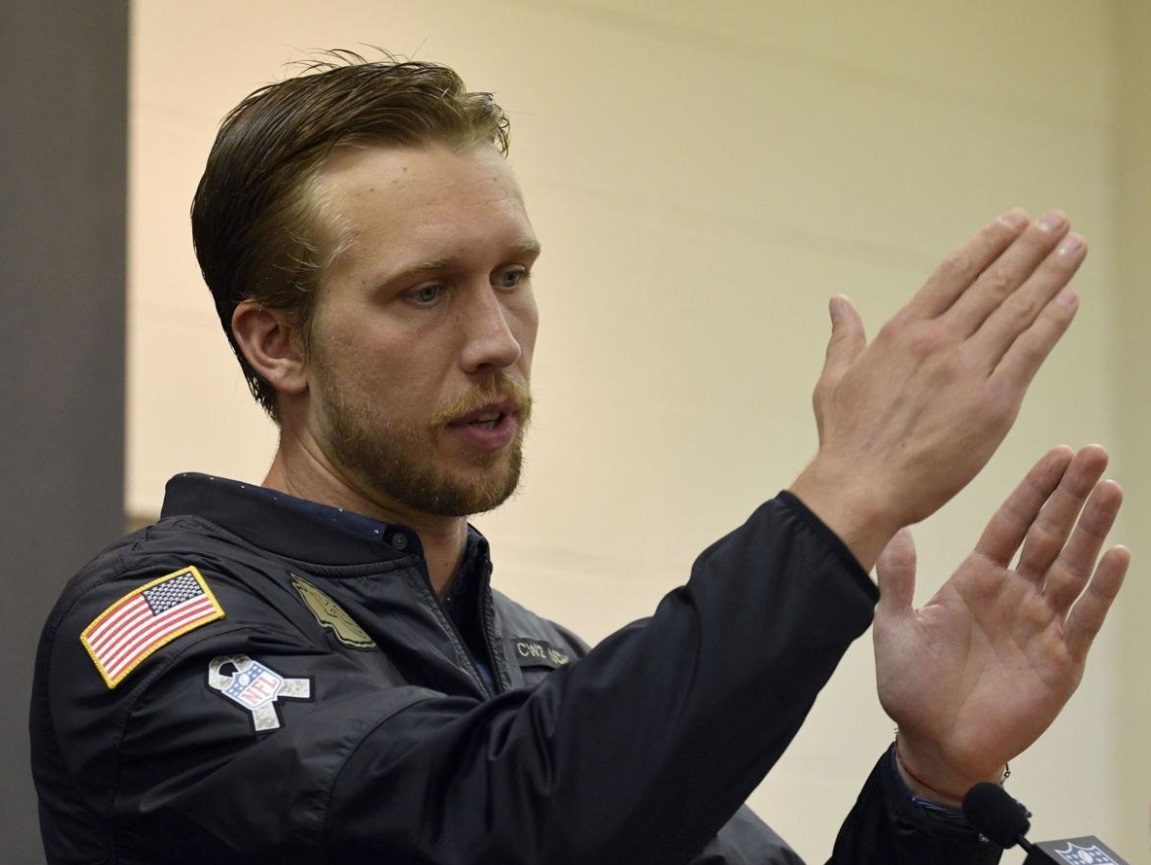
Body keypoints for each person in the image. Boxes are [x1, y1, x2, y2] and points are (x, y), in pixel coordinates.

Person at [30, 54, 1128, 864]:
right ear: (275, 340)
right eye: (425, 291)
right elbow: (492, 826)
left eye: (512, 276)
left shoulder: (539, 660)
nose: (496, 340)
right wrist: (843, 500)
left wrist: (930, 786)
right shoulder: (160, 627)